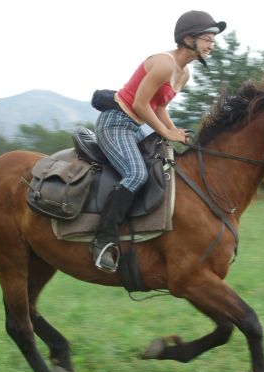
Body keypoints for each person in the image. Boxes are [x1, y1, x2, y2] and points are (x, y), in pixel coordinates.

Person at [91, 10, 226, 273]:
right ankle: (102, 241)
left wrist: (175, 131)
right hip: (116, 122)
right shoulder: (163, 63)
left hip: (135, 126)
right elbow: (140, 103)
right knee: (136, 174)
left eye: (213, 40)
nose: (212, 44)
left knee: (162, 169)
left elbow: (159, 105)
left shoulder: (184, 74)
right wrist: (166, 133)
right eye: (207, 38)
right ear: (188, 38)